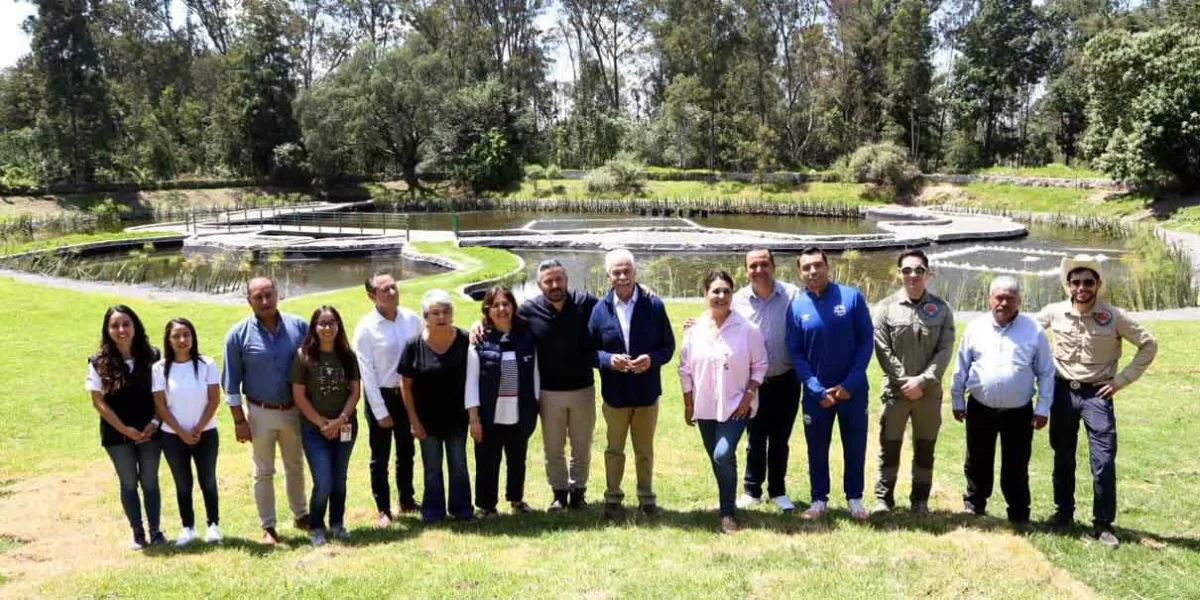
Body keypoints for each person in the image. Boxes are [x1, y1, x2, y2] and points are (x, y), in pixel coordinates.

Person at [1036, 256, 1157, 548]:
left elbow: (1148, 344)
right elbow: (1027, 334)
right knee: (1062, 457)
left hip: (1097, 396)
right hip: (1062, 393)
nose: (1081, 287)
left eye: (1088, 282)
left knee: (1102, 461)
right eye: (1075, 282)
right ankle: (1063, 515)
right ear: (1068, 285)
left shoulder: (1113, 315)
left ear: (1098, 285)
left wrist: (1121, 380)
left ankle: (1103, 523)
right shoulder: (1054, 312)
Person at [951, 276, 1054, 526]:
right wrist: (957, 398)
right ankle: (974, 505)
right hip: (980, 407)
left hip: (1019, 411)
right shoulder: (975, 327)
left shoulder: (1033, 330)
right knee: (977, 459)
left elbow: (1046, 372)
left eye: (1010, 298)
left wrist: (1042, 408)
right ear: (990, 299)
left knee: (1016, 464)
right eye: (999, 297)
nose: (1004, 303)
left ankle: (1018, 512)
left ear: (1019, 301)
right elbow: (961, 365)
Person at [785, 247, 874, 520]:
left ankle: (855, 499)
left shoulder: (851, 297)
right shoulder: (797, 306)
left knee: (855, 446)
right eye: (806, 268)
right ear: (800, 273)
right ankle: (818, 499)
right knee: (817, 448)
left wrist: (850, 384)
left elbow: (865, 343)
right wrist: (815, 389)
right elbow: (796, 353)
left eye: (817, 265)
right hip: (816, 395)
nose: (812, 272)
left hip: (852, 392)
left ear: (827, 266)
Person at [588, 248, 675, 520]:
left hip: (646, 393)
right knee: (614, 450)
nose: (623, 276)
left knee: (644, 450)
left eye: (627, 271)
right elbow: (589, 351)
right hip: (615, 396)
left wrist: (652, 359)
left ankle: (646, 498)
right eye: (617, 272)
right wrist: (607, 359)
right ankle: (613, 498)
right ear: (608, 276)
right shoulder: (600, 310)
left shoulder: (654, 305)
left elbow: (668, 346)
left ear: (635, 272)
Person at [679, 270, 768, 533]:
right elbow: (684, 368)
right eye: (715, 291)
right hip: (704, 406)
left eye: (726, 291)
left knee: (722, 454)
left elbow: (760, 365)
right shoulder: (694, 330)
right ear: (705, 294)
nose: (721, 296)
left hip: (736, 406)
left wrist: (749, 395)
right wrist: (687, 404)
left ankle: (727, 514)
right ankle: (726, 500)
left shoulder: (748, 329)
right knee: (719, 459)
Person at [222, 276, 309, 545]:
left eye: (269, 294)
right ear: (249, 301)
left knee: (295, 465)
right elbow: (231, 384)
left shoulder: (299, 327)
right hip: (260, 412)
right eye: (257, 297)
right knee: (263, 471)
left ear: (277, 294)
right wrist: (239, 421)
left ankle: (301, 514)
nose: (264, 301)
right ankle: (268, 526)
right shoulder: (237, 335)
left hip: (295, 410)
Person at [870, 250, 955, 516]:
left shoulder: (941, 309)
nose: (913, 275)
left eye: (919, 270)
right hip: (896, 393)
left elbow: (945, 349)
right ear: (899, 274)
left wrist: (924, 380)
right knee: (889, 446)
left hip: (928, 394)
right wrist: (904, 380)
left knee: (925, 447)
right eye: (906, 270)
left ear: (928, 274)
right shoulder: (884, 308)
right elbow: (882, 349)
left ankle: (920, 501)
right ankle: (884, 499)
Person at [518, 260, 599, 511]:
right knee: (553, 447)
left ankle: (578, 493)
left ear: (566, 279)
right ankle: (559, 494)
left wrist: (645, 291)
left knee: (581, 446)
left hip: (583, 389)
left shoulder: (586, 303)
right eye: (548, 281)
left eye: (558, 279)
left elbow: (615, 308)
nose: (554, 285)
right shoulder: (528, 311)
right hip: (548, 392)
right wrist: (479, 325)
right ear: (539, 285)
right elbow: (500, 319)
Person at [87, 305, 165, 550]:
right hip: (117, 434)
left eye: (126, 324)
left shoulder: (153, 355)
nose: (121, 330)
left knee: (150, 481)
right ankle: (138, 533)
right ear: (107, 330)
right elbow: (98, 401)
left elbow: (162, 394)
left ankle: (156, 531)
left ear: (135, 326)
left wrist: (154, 423)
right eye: (115, 325)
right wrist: (124, 429)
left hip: (150, 431)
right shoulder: (98, 362)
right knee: (129, 482)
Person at [731, 249, 801, 512]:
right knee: (756, 438)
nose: (758, 270)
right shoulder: (737, 300)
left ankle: (778, 490)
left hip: (787, 378)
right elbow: (718, 321)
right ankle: (751, 490)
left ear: (773, 266)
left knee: (781, 438)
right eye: (753, 266)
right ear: (746, 270)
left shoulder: (792, 295)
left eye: (764, 264)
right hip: (754, 383)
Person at [353, 271, 424, 527]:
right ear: (372, 296)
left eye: (394, 287)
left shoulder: (412, 319)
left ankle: (407, 499)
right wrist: (380, 411)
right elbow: (367, 374)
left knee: (407, 451)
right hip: (381, 396)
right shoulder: (366, 329)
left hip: (407, 395)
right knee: (379, 457)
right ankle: (383, 508)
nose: (392, 293)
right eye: (385, 290)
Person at [400, 289, 476, 523]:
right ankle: (433, 511)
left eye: (446, 312)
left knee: (459, 465)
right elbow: (405, 385)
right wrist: (413, 421)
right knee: (431, 468)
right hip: (427, 421)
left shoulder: (465, 340)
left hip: (457, 419)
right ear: (426, 317)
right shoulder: (413, 345)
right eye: (435, 313)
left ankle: (462, 510)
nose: (441, 317)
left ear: (452, 315)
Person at [466, 285, 540, 519]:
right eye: (495, 305)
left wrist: (535, 406)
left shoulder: (527, 334)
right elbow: (471, 381)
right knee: (487, 461)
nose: (501, 309)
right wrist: (474, 418)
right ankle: (486, 506)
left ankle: (516, 499)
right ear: (487, 310)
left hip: (520, 412)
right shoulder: (479, 340)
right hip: (489, 414)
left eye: (505, 304)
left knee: (517, 459)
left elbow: (535, 373)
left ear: (513, 307)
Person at [290, 305, 361, 546]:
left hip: (345, 427)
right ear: (314, 327)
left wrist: (340, 420)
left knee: (339, 479)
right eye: (322, 323)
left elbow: (355, 392)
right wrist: (322, 423)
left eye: (332, 322)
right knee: (323, 481)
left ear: (338, 326)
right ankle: (316, 526)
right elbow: (299, 396)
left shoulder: (348, 356)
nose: (327, 327)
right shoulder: (303, 356)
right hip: (314, 429)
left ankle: (337, 524)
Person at [152, 318, 222, 547]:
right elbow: (161, 405)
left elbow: (214, 399)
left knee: (208, 480)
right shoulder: (160, 368)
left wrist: (199, 427)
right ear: (168, 340)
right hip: (172, 436)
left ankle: (213, 525)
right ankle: (188, 527)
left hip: (206, 433)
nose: (182, 340)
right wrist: (181, 432)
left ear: (193, 337)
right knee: (183, 483)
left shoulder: (207, 364)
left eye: (186, 335)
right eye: (176, 336)